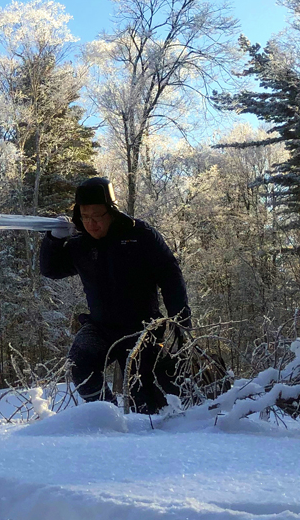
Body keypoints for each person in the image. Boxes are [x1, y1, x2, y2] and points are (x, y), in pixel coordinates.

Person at [39, 177, 191, 414]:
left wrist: (180, 318)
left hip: (143, 327)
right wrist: (53, 240)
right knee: (80, 366)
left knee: (144, 397)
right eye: (85, 216)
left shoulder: (140, 235)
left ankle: (161, 431)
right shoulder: (80, 245)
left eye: (97, 216)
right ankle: (107, 415)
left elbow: (170, 275)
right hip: (101, 326)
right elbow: (52, 270)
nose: (91, 223)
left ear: (112, 211)